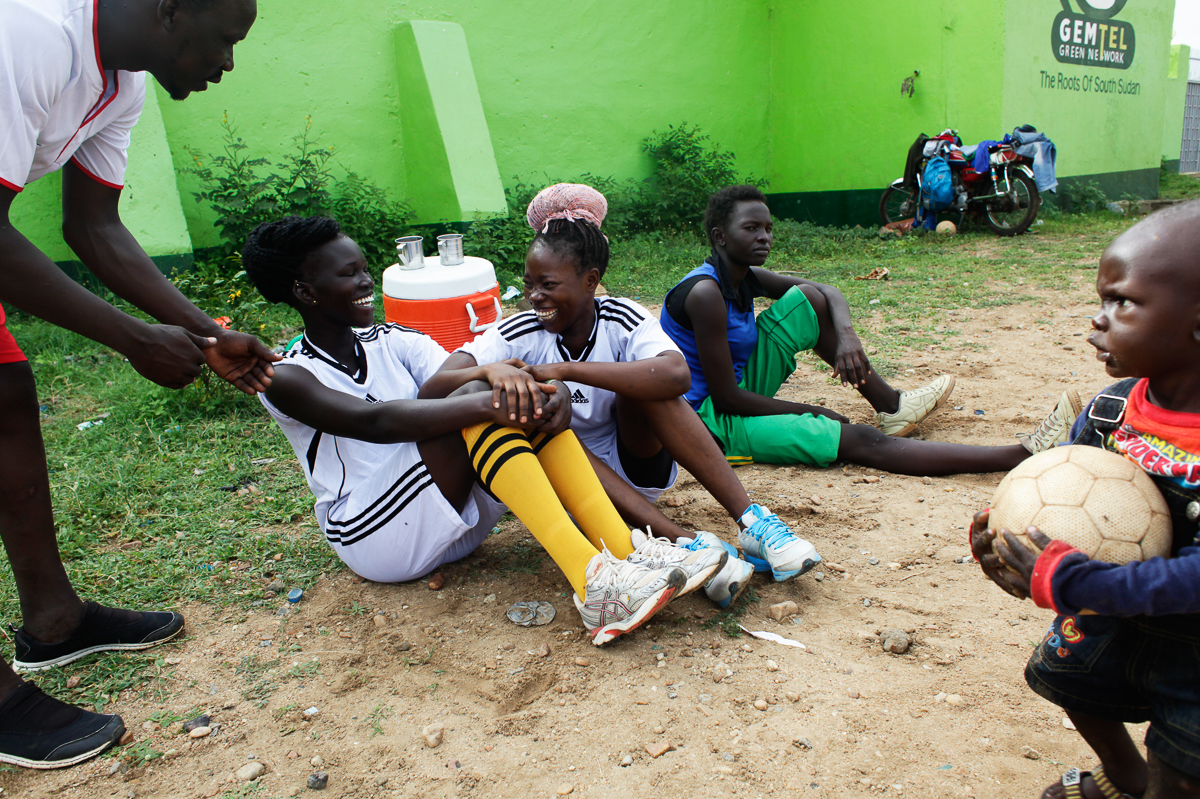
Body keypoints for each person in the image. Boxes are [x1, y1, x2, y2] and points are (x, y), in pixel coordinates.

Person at [0, 0, 279, 769]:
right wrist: (132, 339)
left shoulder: (120, 83)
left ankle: (56, 621)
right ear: (169, 11)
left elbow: (95, 228)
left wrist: (207, 335)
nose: (228, 63)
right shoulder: (28, 36)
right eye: (225, 39)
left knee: (7, 398)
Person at [243, 216, 689, 650]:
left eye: (364, 269)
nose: (366, 283)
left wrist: (519, 384)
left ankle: (626, 553)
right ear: (305, 292)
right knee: (490, 399)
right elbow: (374, 422)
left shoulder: (394, 339)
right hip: (374, 536)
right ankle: (593, 582)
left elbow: (450, 382)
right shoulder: (286, 375)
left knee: (505, 394)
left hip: (454, 520)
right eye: (349, 274)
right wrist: (492, 393)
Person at [433, 183, 820, 612]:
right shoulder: (517, 333)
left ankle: (752, 523)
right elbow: (437, 385)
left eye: (548, 284)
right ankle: (687, 544)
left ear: (590, 281)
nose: (534, 297)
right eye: (528, 285)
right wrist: (490, 370)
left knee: (650, 384)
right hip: (572, 489)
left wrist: (563, 371)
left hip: (637, 464)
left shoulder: (621, 317)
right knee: (540, 416)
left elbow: (676, 374)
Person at [971, 200, 1200, 799]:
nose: (1097, 320)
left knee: (1182, 768)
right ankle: (1124, 773)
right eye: (1101, 300)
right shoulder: (1111, 410)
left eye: (1122, 302)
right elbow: (1058, 496)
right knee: (1070, 677)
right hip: (1112, 609)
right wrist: (1011, 548)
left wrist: (1078, 581)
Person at [659, 184, 1079, 476]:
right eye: (750, 229)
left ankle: (892, 407)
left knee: (809, 301)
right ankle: (1020, 455)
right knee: (859, 439)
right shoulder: (705, 293)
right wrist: (811, 411)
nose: (764, 237)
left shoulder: (743, 276)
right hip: (707, 422)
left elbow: (825, 291)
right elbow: (727, 399)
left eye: (768, 228)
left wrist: (848, 336)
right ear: (720, 236)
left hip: (733, 391)